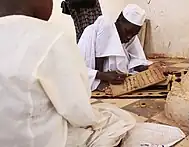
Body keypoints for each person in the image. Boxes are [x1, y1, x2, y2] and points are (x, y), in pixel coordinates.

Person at [0, 0, 136, 146]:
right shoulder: (52, 38)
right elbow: (77, 109)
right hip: (39, 141)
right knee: (118, 119)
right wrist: (96, 119)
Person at [78, 4, 153, 91]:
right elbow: (78, 70)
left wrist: (147, 67)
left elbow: (136, 60)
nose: (129, 37)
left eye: (133, 34)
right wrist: (102, 75)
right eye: (127, 32)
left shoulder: (130, 37)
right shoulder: (90, 33)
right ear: (119, 20)